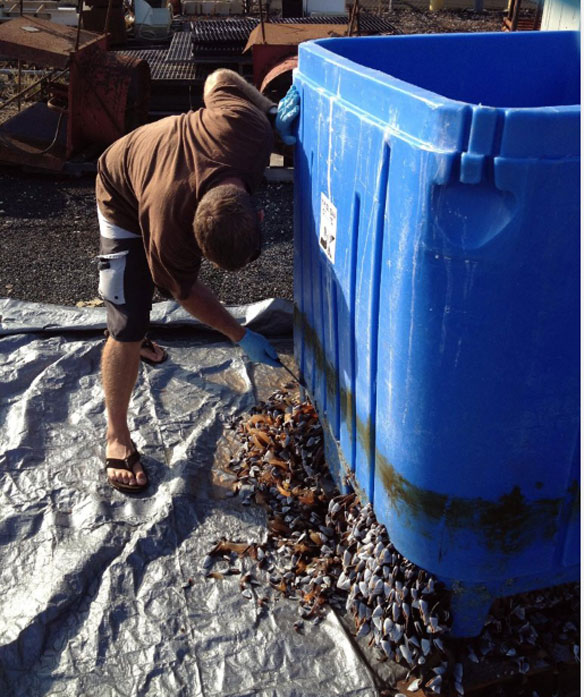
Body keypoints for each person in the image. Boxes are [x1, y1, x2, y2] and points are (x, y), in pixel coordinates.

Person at [95, 69, 299, 494]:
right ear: (192, 232)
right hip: (121, 188)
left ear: (257, 213)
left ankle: (141, 339)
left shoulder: (249, 132)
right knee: (128, 318)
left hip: (159, 164)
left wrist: (270, 110)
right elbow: (183, 290)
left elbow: (219, 77)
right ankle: (116, 434)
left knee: (147, 285)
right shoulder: (168, 229)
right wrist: (238, 333)